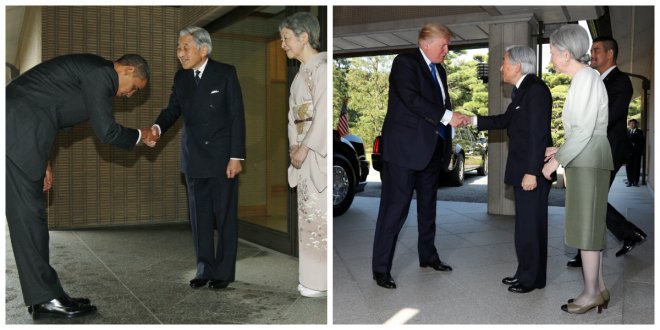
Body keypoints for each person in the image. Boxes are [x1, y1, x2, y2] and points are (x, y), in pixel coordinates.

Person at [6, 53, 155, 319]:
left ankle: (47, 296)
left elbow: (50, 112)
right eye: (134, 88)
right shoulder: (100, 74)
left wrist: (45, 160)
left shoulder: (92, 74)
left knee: (31, 218)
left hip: (26, 131)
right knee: (28, 219)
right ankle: (44, 299)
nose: (131, 96)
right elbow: (107, 132)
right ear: (128, 69)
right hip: (17, 130)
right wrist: (140, 135)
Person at [371, 22, 468, 289]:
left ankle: (428, 256)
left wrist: (447, 133)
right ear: (426, 43)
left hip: (431, 151)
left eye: (448, 45)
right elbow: (412, 99)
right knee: (394, 210)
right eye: (443, 45)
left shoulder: (440, 70)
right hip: (403, 151)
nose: (447, 50)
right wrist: (448, 116)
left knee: (429, 208)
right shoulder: (405, 62)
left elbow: (440, 105)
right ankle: (380, 269)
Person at [150, 26, 246, 290]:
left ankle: (223, 272)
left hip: (222, 159)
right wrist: (156, 129)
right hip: (193, 158)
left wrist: (236, 156)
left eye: (185, 47)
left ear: (204, 49)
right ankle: (204, 269)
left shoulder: (225, 73)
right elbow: (172, 111)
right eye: (179, 48)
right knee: (199, 217)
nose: (180, 53)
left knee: (224, 217)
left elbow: (237, 116)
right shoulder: (181, 79)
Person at [467, 46, 553, 294]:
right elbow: (504, 121)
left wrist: (532, 172)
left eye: (504, 62)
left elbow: (538, 135)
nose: (501, 67)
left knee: (531, 227)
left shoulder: (535, 90)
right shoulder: (523, 91)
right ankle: (525, 272)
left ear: (517, 66)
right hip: (523, 169)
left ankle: (531, 279)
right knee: (525, 226)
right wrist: (471, 120)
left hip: (530, 172)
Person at [542, 24, 613, 314]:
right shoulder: (586, 78)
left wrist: (555, 162)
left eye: (552, 54)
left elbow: (584, 130)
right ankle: (600, 288)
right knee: (589, 226)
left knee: (587, 228)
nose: (550, 60)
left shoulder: (585, 78)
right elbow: (585, 129)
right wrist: (561, 149)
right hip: (588, 156)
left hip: (588, 158)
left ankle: (591, 292)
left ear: (566, 53)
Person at [566, 37, 647, 267]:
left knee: (591, 200)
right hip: (593, 149)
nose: (592, 53)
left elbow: (610, 116)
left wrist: (582, 124)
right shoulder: (594, 79)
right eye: (591, 49)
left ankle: (621, 236)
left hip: (609, 150)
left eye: (596, 50)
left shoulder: (621, 82)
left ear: (610, 54)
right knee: (592, 200)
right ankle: (626, 234)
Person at [279, 12, 327, 298]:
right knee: (309, 217)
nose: (283, 44)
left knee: (317, 218)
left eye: (286, 38)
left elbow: (322, 113)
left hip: (313, 151)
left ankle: (318, 281)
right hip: (303, 150)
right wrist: (294, 145)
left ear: (304, 37)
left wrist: (306, 146)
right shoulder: (302, 72)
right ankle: (310, 279)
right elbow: (292, 118)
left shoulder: (320, 67)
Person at [626, 119, 644, 187]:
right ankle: (629, 181)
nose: (632, 124)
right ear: (629, 124)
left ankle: (636, 182)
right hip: (628, 153)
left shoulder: (640, 131)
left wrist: (642, 152)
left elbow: (642, 142)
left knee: (636, 167)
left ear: (636, 124)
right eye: (631, 123)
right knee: (628, 167)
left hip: (637, 152)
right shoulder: (626, 131)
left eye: (634, 123)